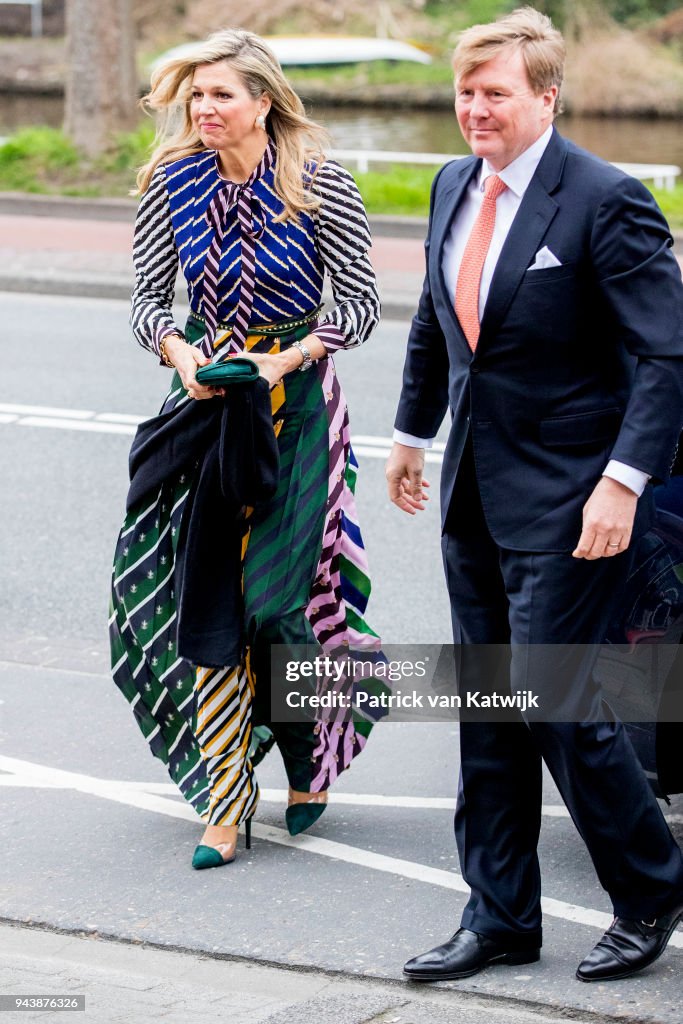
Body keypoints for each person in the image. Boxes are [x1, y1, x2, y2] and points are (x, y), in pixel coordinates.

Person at [386, 6, 683, 983]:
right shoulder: (447, 185)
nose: (475, 108)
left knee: (554, 700)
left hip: (572, 497)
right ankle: (500, 914)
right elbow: (436, 321)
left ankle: (647, 885)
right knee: (488, 709)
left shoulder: (605, 198)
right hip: (471, 491)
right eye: (464, 93)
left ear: (544, 97)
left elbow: (661, 355)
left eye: (494, 93)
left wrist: (621, 484)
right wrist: (408, 435)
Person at [109, 28, 381, 870]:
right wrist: (180, 353)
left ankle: (308, 753)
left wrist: (289, 355)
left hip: (296, 402)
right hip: (205, 404)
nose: (202, 108)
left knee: (276, 603)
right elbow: (150, 300)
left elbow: (363, 307)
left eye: (220, 94)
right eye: (194, 95)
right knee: (202, 597)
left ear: (263, 100)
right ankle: (226, 797)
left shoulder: (321, 184)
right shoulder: (171, 182)